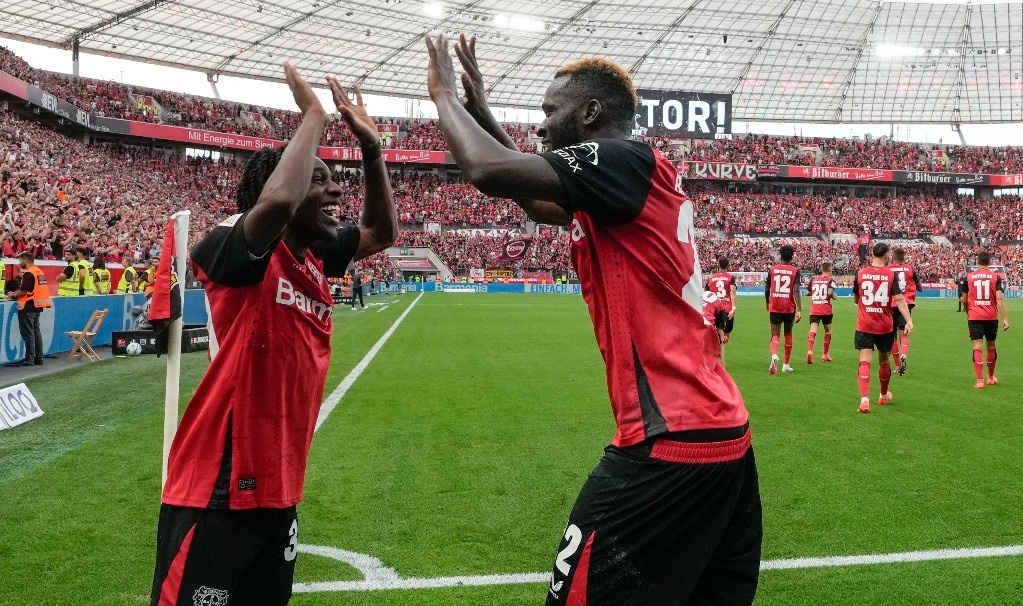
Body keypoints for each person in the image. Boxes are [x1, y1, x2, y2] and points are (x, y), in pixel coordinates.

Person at [426, 34, 760, 605]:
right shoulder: (619, 180)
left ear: (590, 113)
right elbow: (534, 199)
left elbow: (486, 170)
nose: (541, 125)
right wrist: (480, 106)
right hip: (722, 436)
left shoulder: (621, 160)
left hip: (668, 440)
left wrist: (442, 97)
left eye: (550, 113)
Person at [150, 63, 397, 606]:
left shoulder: (313, 259)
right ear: (280, 183)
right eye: (320, 177)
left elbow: (382, 232)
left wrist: (374, 152)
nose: (337, 189)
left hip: (278, 491)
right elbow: (278, 205)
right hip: (215, 491)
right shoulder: (233, 248)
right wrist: (313, 115)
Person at [853, 243, 914, 413]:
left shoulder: (861, 273)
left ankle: (864, 400)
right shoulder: (890, 275)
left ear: (872, 254)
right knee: (884, 361)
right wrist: (909, 320)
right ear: (887, 255)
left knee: (864, 360)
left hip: (865, 323)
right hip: (884, 325)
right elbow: (900, 300)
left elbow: (856, 299)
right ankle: (882, 395)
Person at [959, 251, 1009, 389]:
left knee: (977, 348)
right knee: (991, 346)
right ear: (989, 263)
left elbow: (963, 298)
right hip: (991, 316)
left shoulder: (969, 277)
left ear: (977, 262)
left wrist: (968, 311)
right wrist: (1005, 318)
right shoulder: (995, 277)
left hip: (974, 316)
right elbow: (999, 298)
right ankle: (991, 378)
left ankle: (980, 381)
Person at [5, 252, 51, 367]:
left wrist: (12, 295)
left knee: (28, 333)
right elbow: (30, 290)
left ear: (25, 260)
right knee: (36, 332)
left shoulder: (29, 273)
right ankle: (38, 358)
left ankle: (29, 359)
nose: (19, 263)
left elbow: (23, 292)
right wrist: (16, 293)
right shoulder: (38, 271)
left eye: (20, 260)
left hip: (28, 306)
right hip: (37, 306)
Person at [766, 244, 802, 374]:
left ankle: (774, 354)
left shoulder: (772, 269)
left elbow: (767, 288)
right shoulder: (795, 270)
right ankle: (786, 365)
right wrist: (799, 309)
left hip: (775, 304)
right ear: (792, 256)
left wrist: (767, 302)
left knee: (775, 334)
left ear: (780, 255)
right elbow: (796, 291)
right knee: (788, 334)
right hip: (788, 306)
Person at [888, 248, 922, 375]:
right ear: (903, 258)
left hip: (891, 304)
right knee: (904, 335)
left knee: (892, 337)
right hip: (906, 304)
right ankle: (903, 355)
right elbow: (920, 287)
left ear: (893, 257)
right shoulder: (910, 269)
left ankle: (897, 365)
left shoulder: (888, 269)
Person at [806, 261, 837, 364]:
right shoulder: (830, 281)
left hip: (815, 308)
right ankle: (825, 354)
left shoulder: (814, 280)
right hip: (826, 309)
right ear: (830, 269)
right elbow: (830, 292)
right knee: (827, 331)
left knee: (813, 330)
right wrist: (834, 296)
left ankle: (810, 351)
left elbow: (807, 293)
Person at [706, 256, 737, 344]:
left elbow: (706, 295)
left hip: (714, 310)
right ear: (728, 265)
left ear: (718, 264)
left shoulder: (711, 278)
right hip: (727, 309)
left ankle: (715, 352)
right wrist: (733, 308)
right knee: (725, 336)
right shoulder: (730, 277)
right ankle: (720, 346)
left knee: (714, 335)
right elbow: (732, 292)